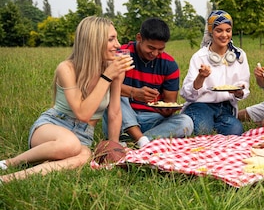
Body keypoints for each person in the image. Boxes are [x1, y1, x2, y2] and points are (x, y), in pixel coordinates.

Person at [0, 17, 131, 182]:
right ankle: (9, 163)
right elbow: (83, 113)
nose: (118, 45)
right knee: (69, 145)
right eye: (111, 39)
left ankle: (8, 179)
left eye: (116, 38)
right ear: (94, 41)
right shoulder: (67, 68)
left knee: (82, 158)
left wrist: (113, 146)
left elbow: (114, 112)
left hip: (84, 136)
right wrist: (106, 77)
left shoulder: (115, 69)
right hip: (54, 125)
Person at [103, 18, 193, 147]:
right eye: (151, 48)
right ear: (139, 38)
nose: (155, 53)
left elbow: (169, 102)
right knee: (115, 94)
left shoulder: (169, 64)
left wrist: (168, 109)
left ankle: (140, 141)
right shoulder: (121, 54)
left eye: (160, 49)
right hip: (121, 118)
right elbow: (105, 85)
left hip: (151, 118)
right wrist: (134, 93)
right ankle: (143, 140)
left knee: (186, 122)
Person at [180, 10, 250, 136]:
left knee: (235, 131)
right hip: (201, 105)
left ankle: (212, 124)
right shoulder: (199, 57)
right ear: (211, 32)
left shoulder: (239, 56)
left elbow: (244, 86)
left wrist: (240, 92)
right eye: (219, 30)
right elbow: (187, 94)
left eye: (228, 30)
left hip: (225, 108)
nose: (224, 35)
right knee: (202, 131)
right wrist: (200, 77)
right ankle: (196, 119)